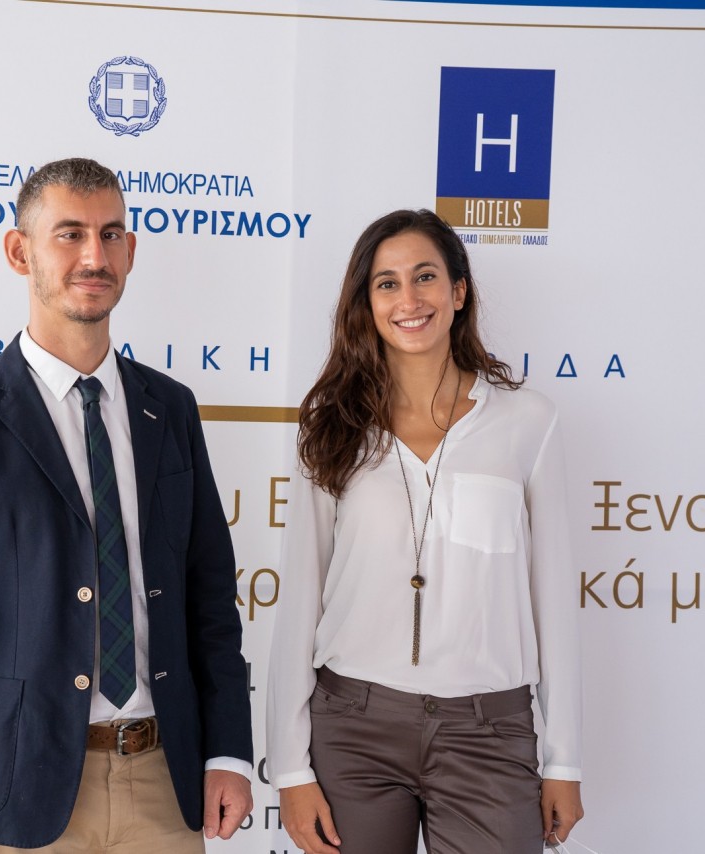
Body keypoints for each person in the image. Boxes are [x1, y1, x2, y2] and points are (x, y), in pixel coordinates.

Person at [0, 157, 253, 853]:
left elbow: (209, 596)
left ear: (131, 251)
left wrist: (229, 751)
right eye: (70, 234)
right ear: (18, 251)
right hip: (20, 791)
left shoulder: (170, 408)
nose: (95, 256)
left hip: (165, 783)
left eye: (111, 234)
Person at [266, 209, 583, 854]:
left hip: (488, 731)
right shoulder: (331, 425)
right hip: (353, 729)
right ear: (367, 303)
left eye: (425, 277)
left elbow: (554, 601)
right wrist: (291, 769)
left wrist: (565, 760)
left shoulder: (528, 421)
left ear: (458, 291)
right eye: (386, 283)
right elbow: (299, 598)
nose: (408, 299)